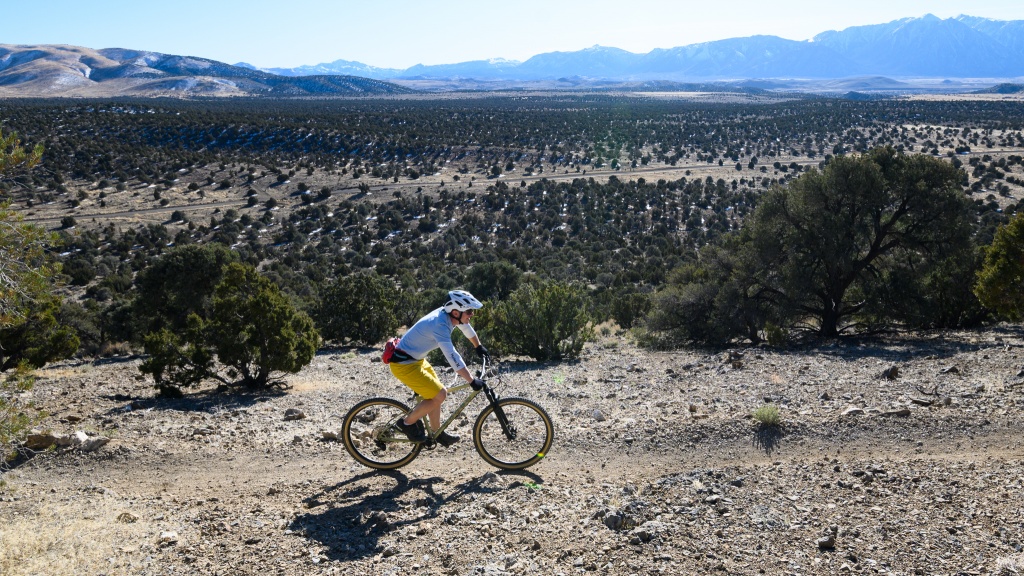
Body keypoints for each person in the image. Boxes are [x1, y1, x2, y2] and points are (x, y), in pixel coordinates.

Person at [388, 290, 490, 446]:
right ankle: (406, 423)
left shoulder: (450, 316)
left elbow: (467, 328)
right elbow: (452, 356)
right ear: (455, 312)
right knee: (440, 394)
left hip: (416, 361)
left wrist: (478, 346)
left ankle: (437, 432)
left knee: (436, 393)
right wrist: (471, 380)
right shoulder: (440, 325)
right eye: (469, 311)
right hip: (403, 365)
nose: (472, 314)